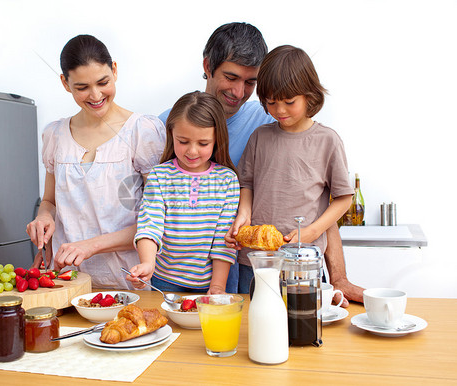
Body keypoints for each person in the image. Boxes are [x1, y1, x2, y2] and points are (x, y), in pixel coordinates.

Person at [160, 23, 364, 305]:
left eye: (250, 83)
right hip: (183, 274)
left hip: (274, 261)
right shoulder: (170, 125)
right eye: (230, 77)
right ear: (208, 65)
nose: (239, 91)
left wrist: (338, 276)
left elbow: (321, 198)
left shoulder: (272, 121)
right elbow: (150, 205)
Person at [26, 35, 166, 290]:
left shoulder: (142, 132)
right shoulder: (55, 134)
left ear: (114, 69)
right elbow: (50, 201)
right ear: (65, 83)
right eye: (82, 87)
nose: (95, 95)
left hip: (127, 283)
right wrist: (43, 218)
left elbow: (157, 219)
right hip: (65, 283)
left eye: (103, 82)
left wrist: (90, 246)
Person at [225, 44, 354, 291]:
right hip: (256, 259)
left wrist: (312, 231)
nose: (279, 110)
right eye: (271, 102)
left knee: (303, 323)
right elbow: (247, 183)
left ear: (310, 95)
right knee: (252, 324)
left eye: (289, 101)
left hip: (304, 259)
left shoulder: (327, 140)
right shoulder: (259, 137)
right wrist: (244, 214)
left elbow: (343, 198)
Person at [126, 91, 239, 294]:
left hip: (211, 282)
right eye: (183, 141)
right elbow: (150, 225)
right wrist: (147, 264)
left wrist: (217, 286)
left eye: (203, 143)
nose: (192, 151)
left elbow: (224, 239)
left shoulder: (227, 179)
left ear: (217, 139)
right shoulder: (159, 176)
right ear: (171, 135)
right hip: (163, 281)